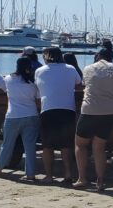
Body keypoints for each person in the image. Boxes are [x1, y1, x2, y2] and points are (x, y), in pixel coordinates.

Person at [75, 47, 113, 190]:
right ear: (110, 57)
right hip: (109, 112)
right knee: (99, 148)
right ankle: (100, 181)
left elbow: (85, 85)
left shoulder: (87, 69)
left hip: (89, 110)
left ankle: (82, 178)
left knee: (80, 145)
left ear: (97, 56)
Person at [35, 47, 83, 182]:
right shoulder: (71, 69)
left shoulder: (39, 71)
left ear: (47, 57)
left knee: (47, 146)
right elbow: (79, 84)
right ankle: (68, 174)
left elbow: (37, 89)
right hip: (68, 110)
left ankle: (49, 176)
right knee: (66, 145)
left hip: (48, 109)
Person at [0, 58, 41, 180]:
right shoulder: (32, 84)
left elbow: (2, 86)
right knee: (30, 147)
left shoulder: (9, 79)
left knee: (7, 144)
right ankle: (30, 173)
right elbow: (37, 99)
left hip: (13, 116)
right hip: (31, 115)